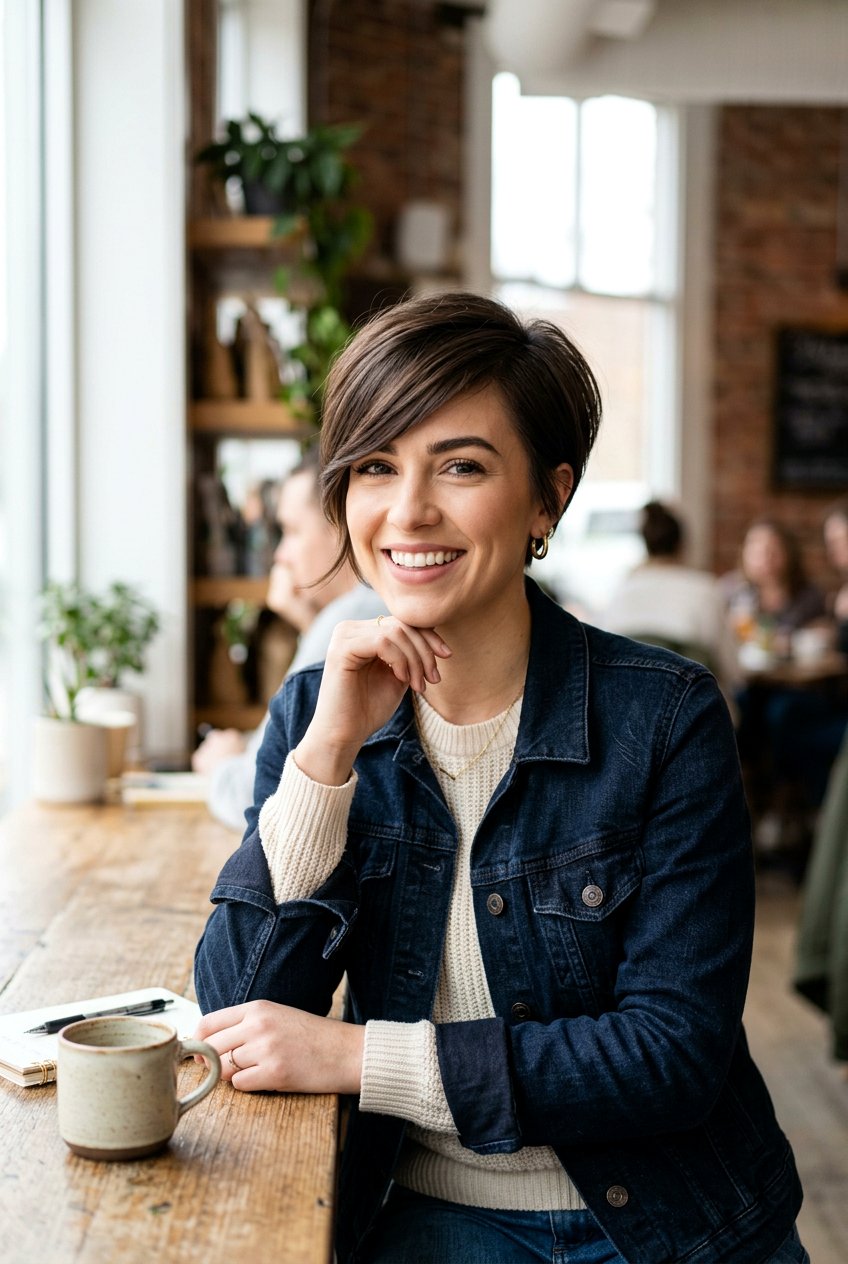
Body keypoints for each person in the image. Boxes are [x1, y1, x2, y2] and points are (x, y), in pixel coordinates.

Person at [193, 292, 806, 1264]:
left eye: (461, 466)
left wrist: (359, 1058)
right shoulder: (322, 706)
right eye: (375, 467)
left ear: (545, 500)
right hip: (437, 1218)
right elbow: (242, 1004)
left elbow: (670, 1053)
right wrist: (328, 754)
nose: (407, 511)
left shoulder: (664, 717)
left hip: (673, 1222)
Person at [191, 446, 385, 831]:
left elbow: (253, 798)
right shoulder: (360, 612)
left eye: (293, 531)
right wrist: (308, 623)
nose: (281, 554)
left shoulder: (348, 617)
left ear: (342, 526)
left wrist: (219, 766)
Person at [599, 499, 740, 708]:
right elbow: (734, 671)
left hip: (631, 718)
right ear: (683, 545)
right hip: (699, 716)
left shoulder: (621, 591)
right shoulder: (705, 590)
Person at [722, 517, 825, 654]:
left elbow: (823, 634)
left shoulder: (808, 596)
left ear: (789, 554)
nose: (765, 559)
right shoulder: (729, 590)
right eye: (756, 551)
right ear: (744, 553)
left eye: (773, 551)